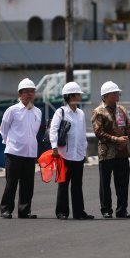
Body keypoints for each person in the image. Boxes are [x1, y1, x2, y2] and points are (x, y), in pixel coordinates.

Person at [50, 82, 94, 220]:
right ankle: (62, 212)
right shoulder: (60, 112)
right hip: (64, 155)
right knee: (63, 184)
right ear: (71, 96)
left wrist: (84, 152)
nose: (81, 96)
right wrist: (54, 147)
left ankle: (79, 212)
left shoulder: (80, 113)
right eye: (78, 94)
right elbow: (53, 130)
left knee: (77, 185)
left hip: (78, 155)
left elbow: (82, 134)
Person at [0, 78, 42, 219]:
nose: (30, 94)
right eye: (26, 91)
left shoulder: (37, 112)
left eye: (32, 91)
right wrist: (10, 144)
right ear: (20, 94)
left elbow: (34, 132)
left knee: (28, 184)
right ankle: (6, 209)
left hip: (30, 153)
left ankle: (24, 210)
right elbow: (3, 129)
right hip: (14, 152)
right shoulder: (12, 110)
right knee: (11, 182)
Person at [91, 81, 130, 219]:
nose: (118, 96)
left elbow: (129, 126)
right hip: (106, 154)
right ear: (106, 96)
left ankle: (122, 210)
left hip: (122, 152)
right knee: (105, 184)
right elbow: (99, 133)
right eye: (115, 94)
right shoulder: (98, 112)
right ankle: (106, 210)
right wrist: (116, 140)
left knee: (123, 184)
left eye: (118, 93)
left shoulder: (121, 110)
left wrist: (126, 139)